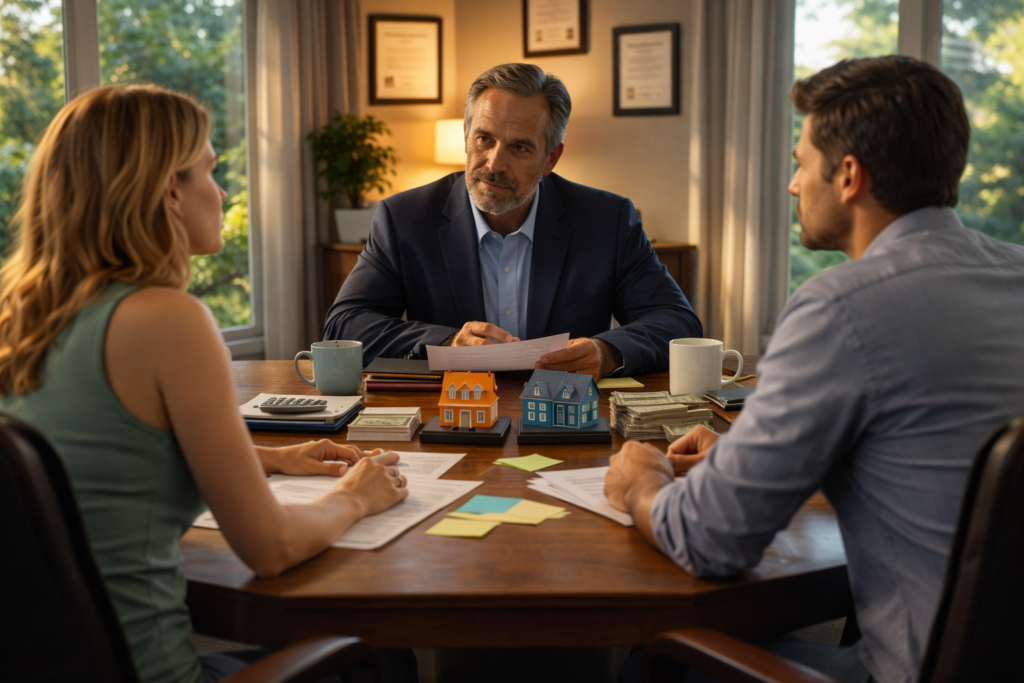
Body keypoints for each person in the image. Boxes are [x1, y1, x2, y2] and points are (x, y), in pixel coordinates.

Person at [605, 56, 1024, 683]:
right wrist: (748, 452)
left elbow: (711, 542)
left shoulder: (840, 308)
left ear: (849, 175)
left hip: (909, 668)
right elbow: (934, 452)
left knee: (655, 662)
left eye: (801, 163)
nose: (795, 184)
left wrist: (640, 479)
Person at [0, 85, 416, 683]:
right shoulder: (167, 319)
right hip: (154, 672)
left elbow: (100, 459)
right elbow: (270, 549)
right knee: (381, 654)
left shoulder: (23, 315)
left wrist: (270, 457)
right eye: (211, 171)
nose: (220, 194)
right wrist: (357, 494)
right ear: (170, 190)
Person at [322, 63, 702, 380]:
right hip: (450, 420)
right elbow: (344, 325)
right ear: (466, 137)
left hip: (569, 423)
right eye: (484, 139)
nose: (494, 164)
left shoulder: (608, 220)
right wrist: (446, 343)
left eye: (519, 147)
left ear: (551, 159)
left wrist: (608, 352)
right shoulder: (404, 218)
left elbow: (678, 322)